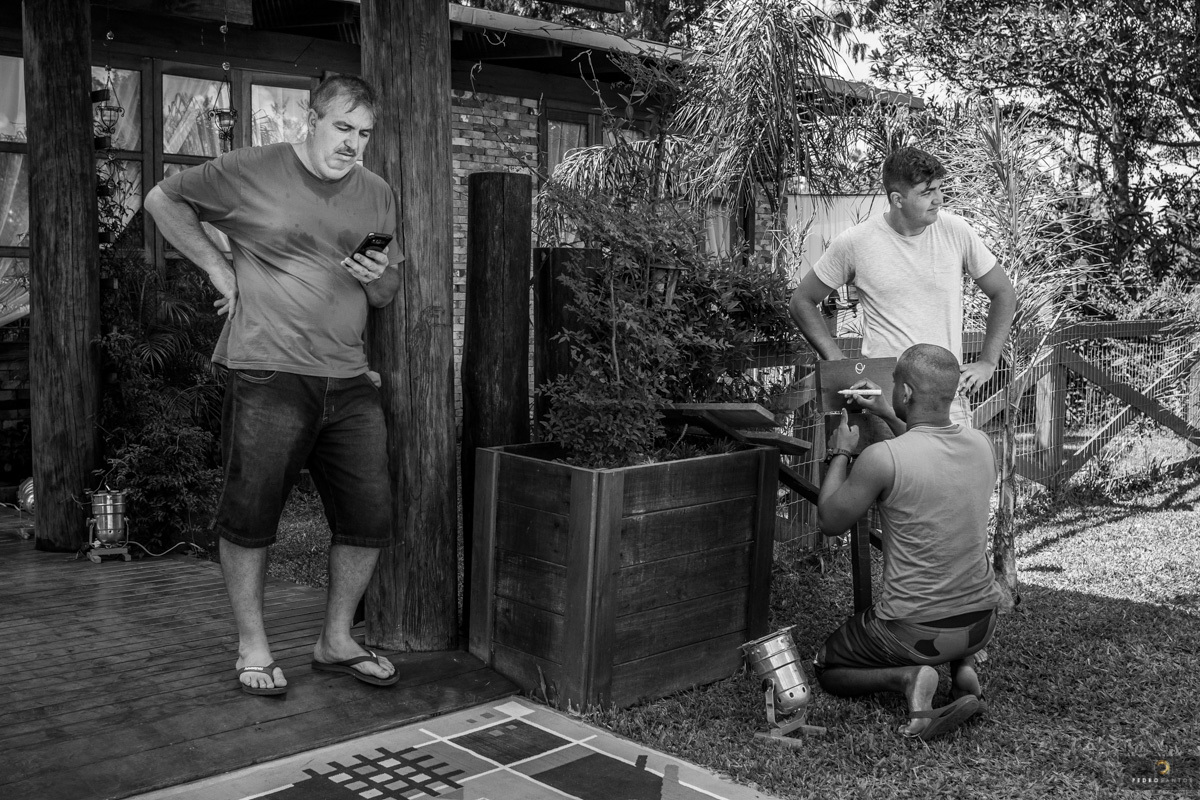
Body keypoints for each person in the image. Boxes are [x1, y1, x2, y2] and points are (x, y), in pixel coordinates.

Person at [145, 74, 404, 695]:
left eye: (365, 133)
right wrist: (218, 267)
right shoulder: (253, 169)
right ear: (311, 121)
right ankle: (253, 644)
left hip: (349, 378)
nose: (353, 144)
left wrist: (375, 275)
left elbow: (387, 290)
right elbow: (161, 199)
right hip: (268, 371)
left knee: (369, 518)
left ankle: (335, 640)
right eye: (343, 127)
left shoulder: (376, 192)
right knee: (251, 513)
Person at [813, 344, 1007, 740]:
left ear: (904, 392)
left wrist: (841, 452)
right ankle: (963, 668)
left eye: (895, 384)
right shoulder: (984, 445)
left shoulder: (882, 457)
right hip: (981, 624)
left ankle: (909, 677)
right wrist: (887, 413)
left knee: (826, 666)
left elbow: (830, 520)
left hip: (916, 634)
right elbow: (930, 451)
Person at [789, 145, 1017, 430]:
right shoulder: (856, 242)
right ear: (897, 199)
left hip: (948, 398)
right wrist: (838, 362)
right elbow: (802, 301)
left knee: (953, 462)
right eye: (927, 192)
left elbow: (1004, 293)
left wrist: (988, 362)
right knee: (887, 462)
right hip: (884, 399)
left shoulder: (956, 232)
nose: (939, 199)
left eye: (939, 188)